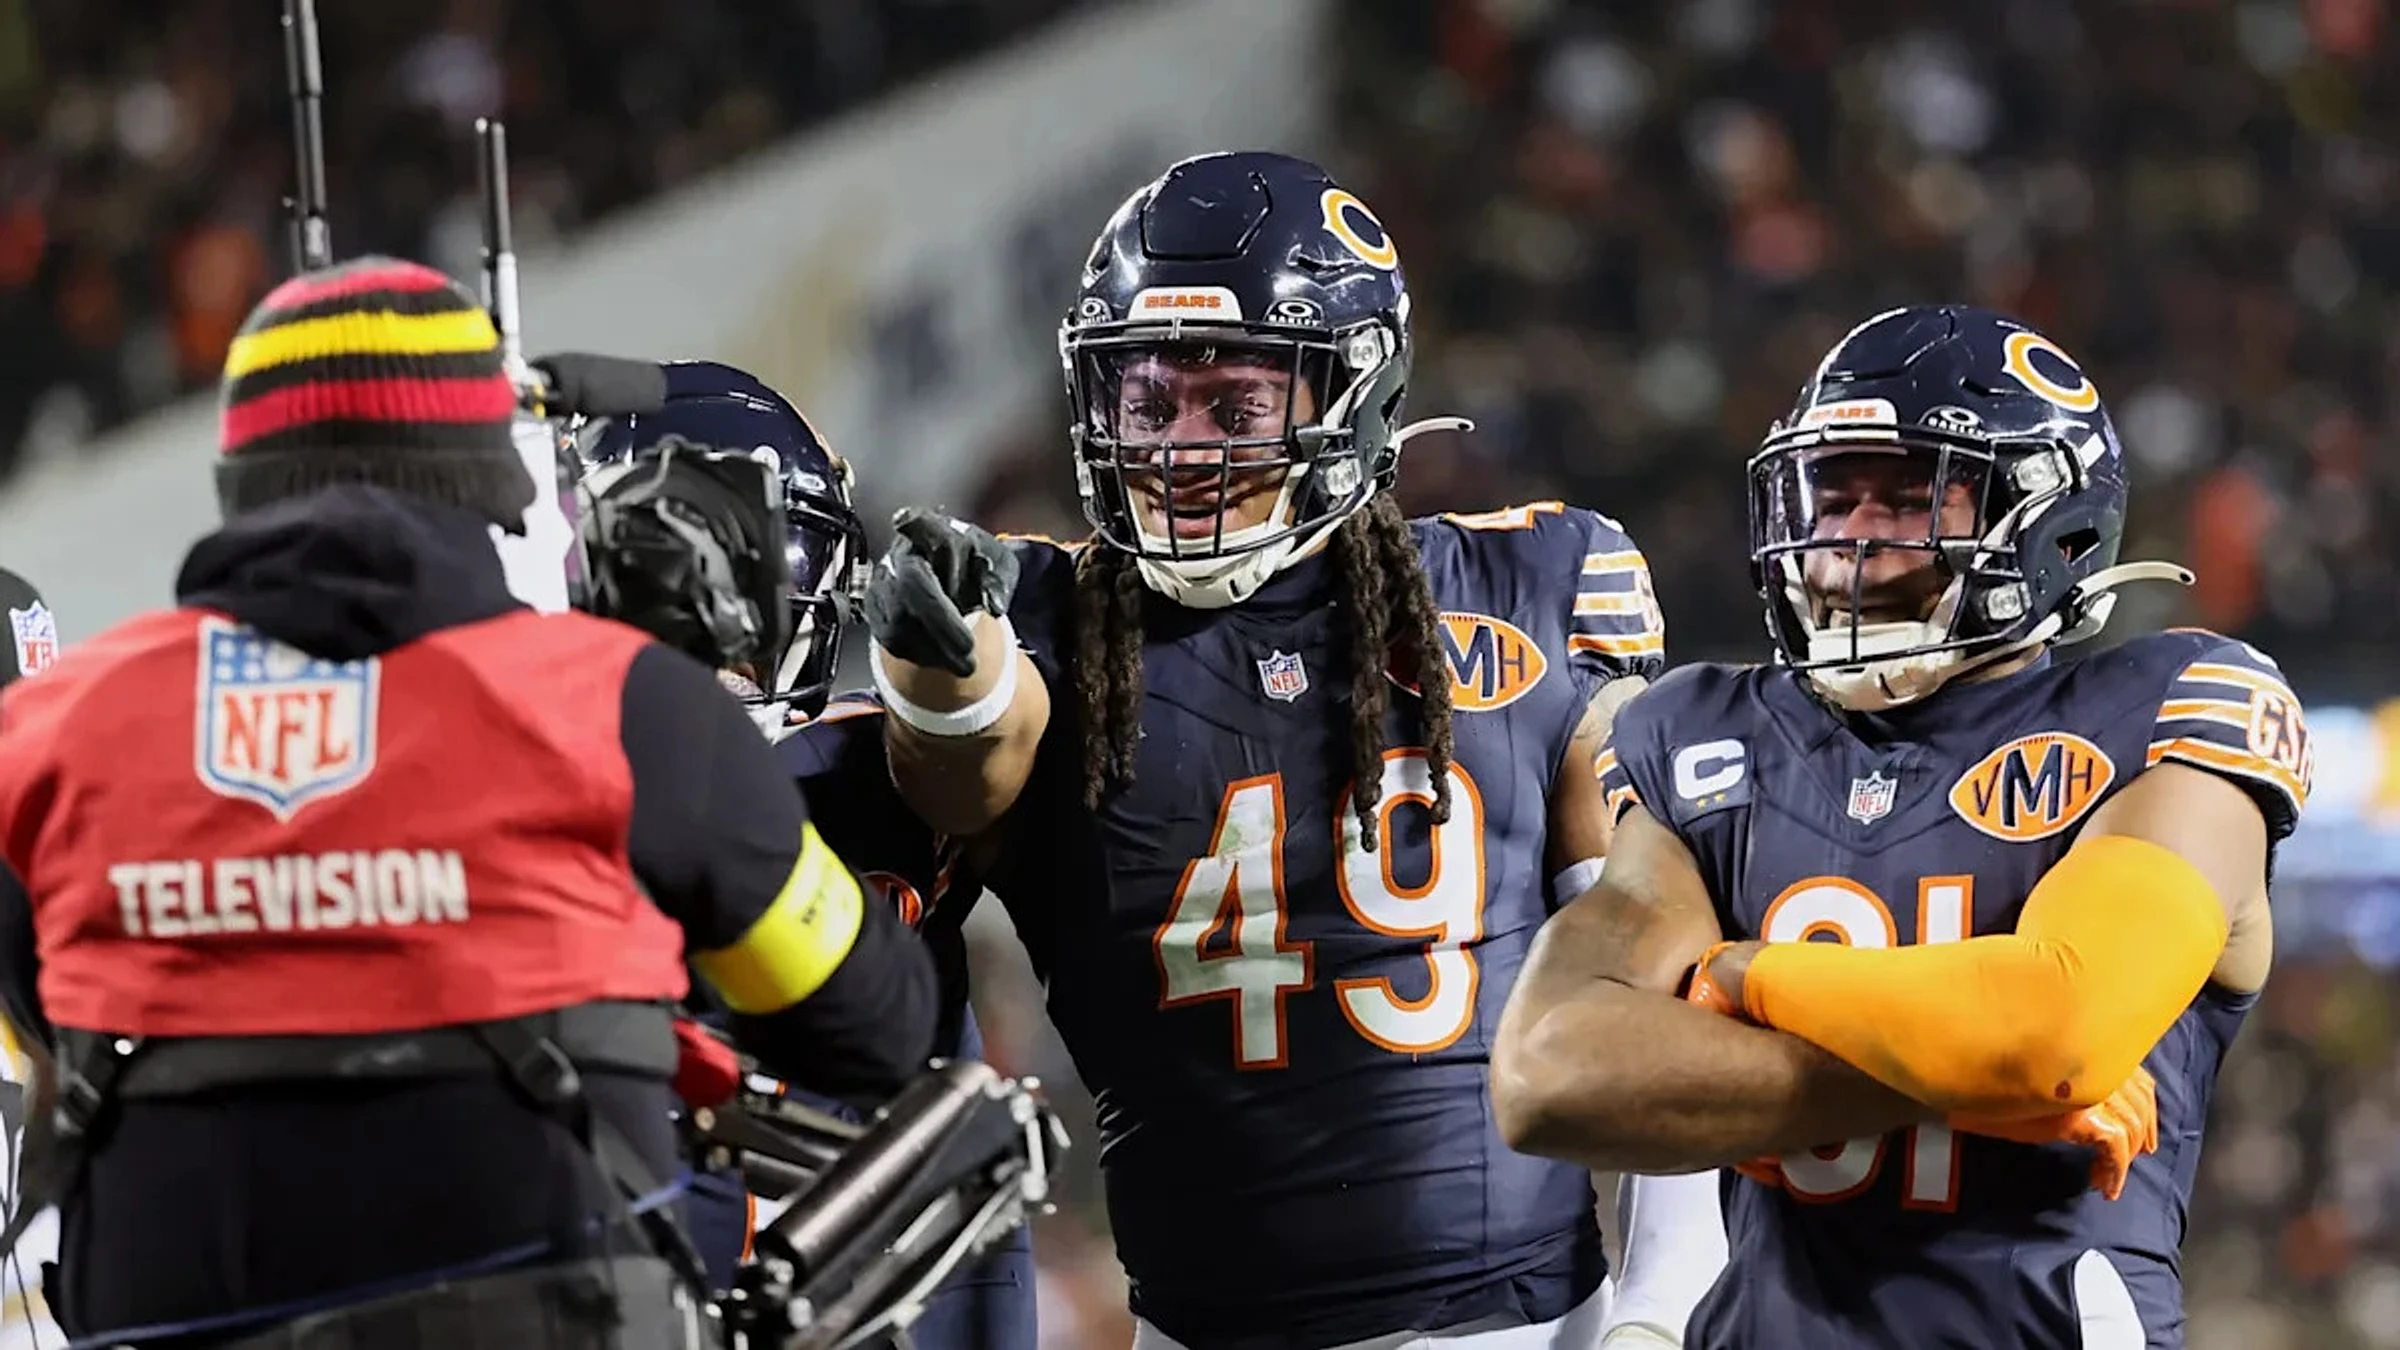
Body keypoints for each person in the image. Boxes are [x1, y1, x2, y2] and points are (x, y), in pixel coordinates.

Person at [860, 150, 1721, 1350]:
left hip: (1525, 1326)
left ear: (1354, 398)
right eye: (1149, 404)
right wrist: (935, 666)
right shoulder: (1050, 621)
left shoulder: (1533, 585)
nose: (1181, 448)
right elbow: (967, 770)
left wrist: (1665, 1311)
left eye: (1235, 406)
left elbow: (1652, 968)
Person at [0, 256, 939, 1346]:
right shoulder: (627, 704)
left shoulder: (51, 727)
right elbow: (874, 1028)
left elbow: (51, 1017)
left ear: (239, 478)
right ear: (501, 482)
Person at [1489, 304, 2307, 1349]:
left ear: (2050, 526)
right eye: (1834, 494)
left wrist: (1744, 976)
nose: (1852, 539)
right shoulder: (1702, 732)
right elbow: (1550, 1074)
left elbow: (2055, 1035)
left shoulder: (2166, 711)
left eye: (1913, 496)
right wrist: (1962, 1084)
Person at [572, 358, 1038, 1350]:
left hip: (887, 1298)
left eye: (755, 594)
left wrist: (966, 674)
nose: (724, 644)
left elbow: (1006, 748)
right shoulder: (525, 793)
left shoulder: (877, 769)